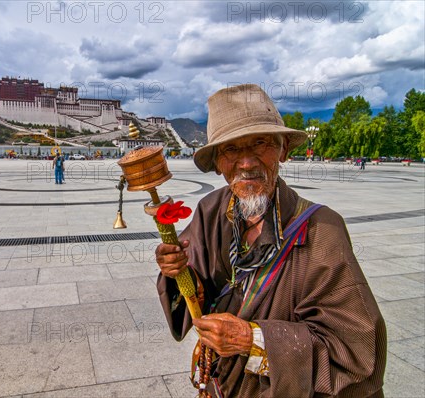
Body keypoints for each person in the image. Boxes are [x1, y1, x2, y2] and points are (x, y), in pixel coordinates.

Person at [155, 84, 386, 397]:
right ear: (218, 163)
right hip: (221, 384)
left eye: (260, 143)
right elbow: (197, 293)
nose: (246, 163)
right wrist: (177, 271)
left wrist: (254, 340)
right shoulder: (210, 211)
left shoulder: (323, 228)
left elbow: (356, 348)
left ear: (284, 149)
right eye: (231, 149)